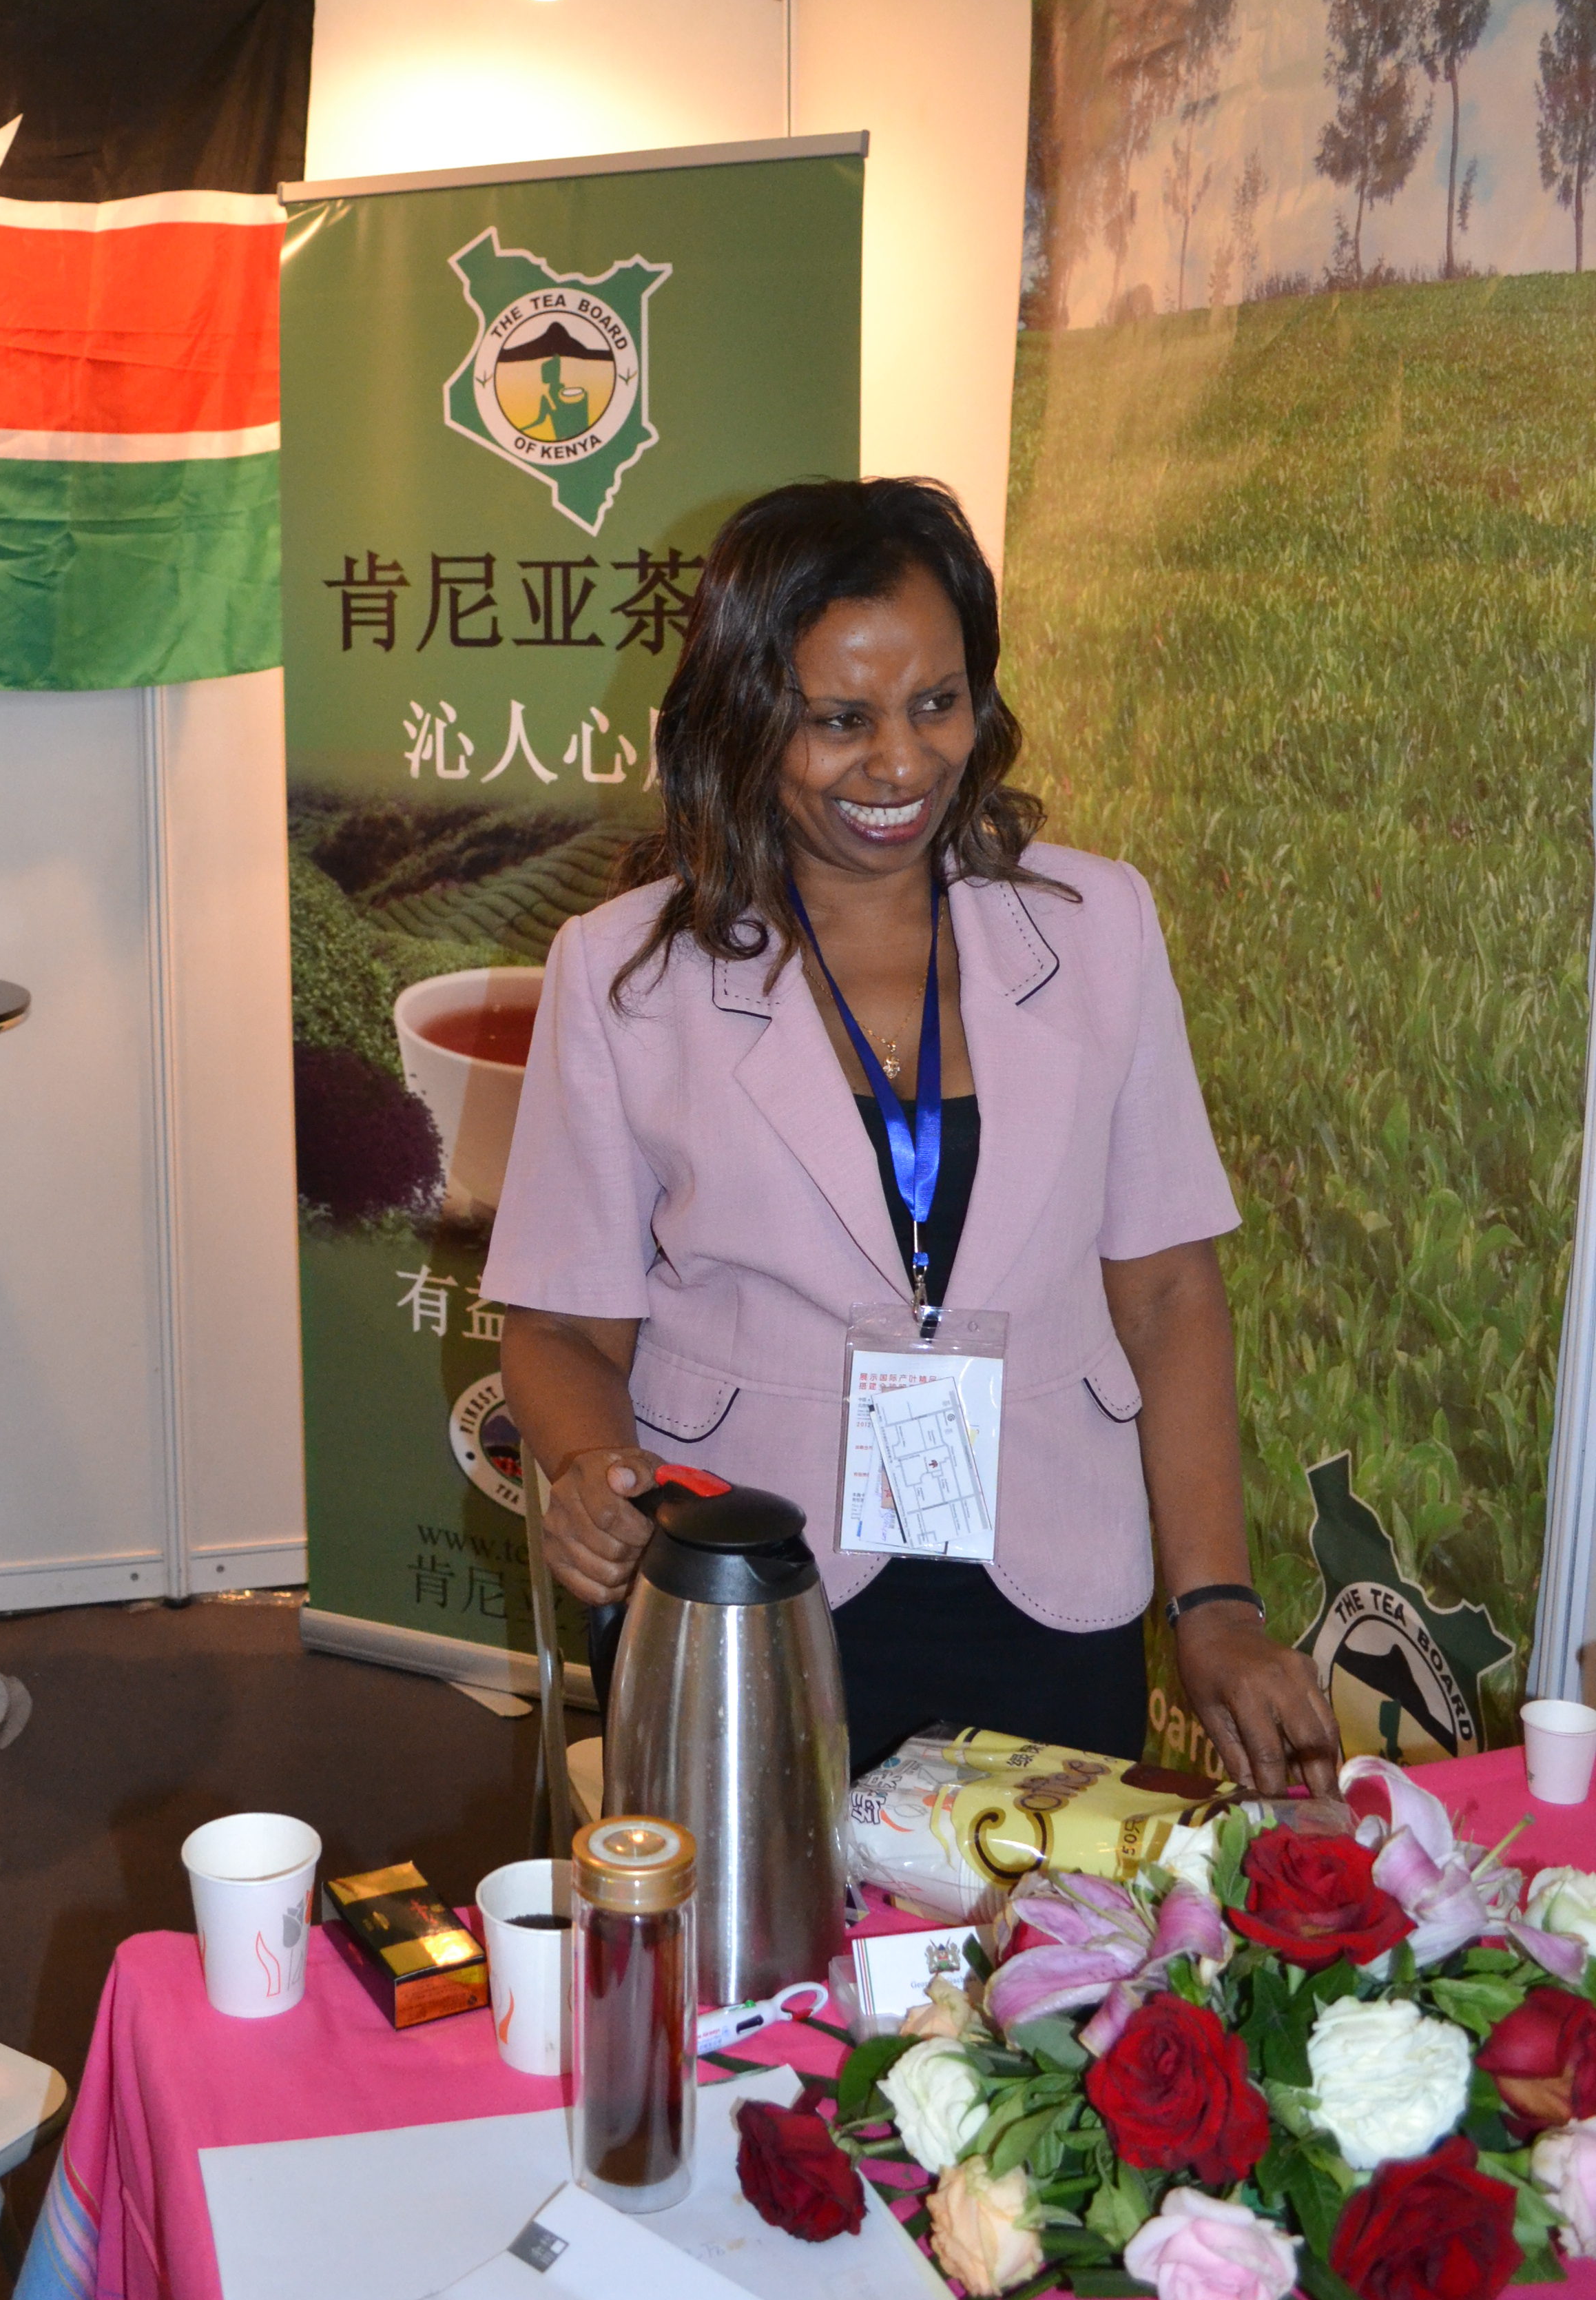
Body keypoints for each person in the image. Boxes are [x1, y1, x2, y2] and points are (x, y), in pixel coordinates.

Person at [485, 476, 1339, 1797]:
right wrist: (596, 1469)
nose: (901, 763)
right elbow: (559, 1327)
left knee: (1044, 1983)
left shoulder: (1100, 930)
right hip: (749, 1588)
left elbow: (1169, 1292)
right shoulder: (624, 977)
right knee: (761, 1988)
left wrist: (1214, 1602)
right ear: (746, 720)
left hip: (1054, 1575)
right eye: (841, 721)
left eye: (938, 703)